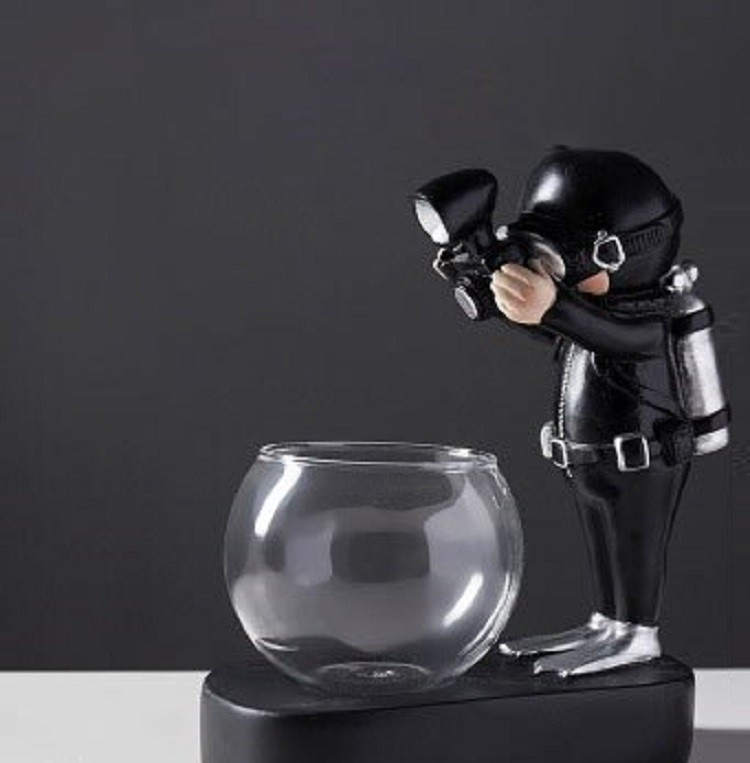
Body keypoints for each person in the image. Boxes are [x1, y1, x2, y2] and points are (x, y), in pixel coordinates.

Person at [492, 147, 729, 676]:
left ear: (621, 254)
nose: (547, 267)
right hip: (589, 458)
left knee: (634, 544)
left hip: (642, 458)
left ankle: (637, 632)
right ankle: (606, 623)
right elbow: (548, 323)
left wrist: (553, 306)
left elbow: (605, 335)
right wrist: (484, 280)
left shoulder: (651, 324)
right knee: (601, 542)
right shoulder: (586, 314)